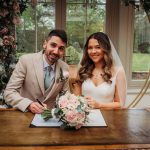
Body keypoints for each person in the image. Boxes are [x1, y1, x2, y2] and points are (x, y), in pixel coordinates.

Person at [4, 29, 69, 113]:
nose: (56, 52)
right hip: (26, 115)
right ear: (45, 44)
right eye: (53, 45)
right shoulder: (26, 61)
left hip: (51, 118)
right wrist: (29, 105)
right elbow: (9, 93)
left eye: (61, 48)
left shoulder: (65, 68)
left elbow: (66, 96)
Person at [73, 32, 127, 109]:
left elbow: (120, 104)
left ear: (106, 49)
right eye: (90, 48)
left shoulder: (118, 71)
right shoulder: (82, 70)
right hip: (84, 118)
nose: (93, 51)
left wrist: (100, 105)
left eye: (98, 47)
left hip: (107, 118)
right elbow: (75, 100)